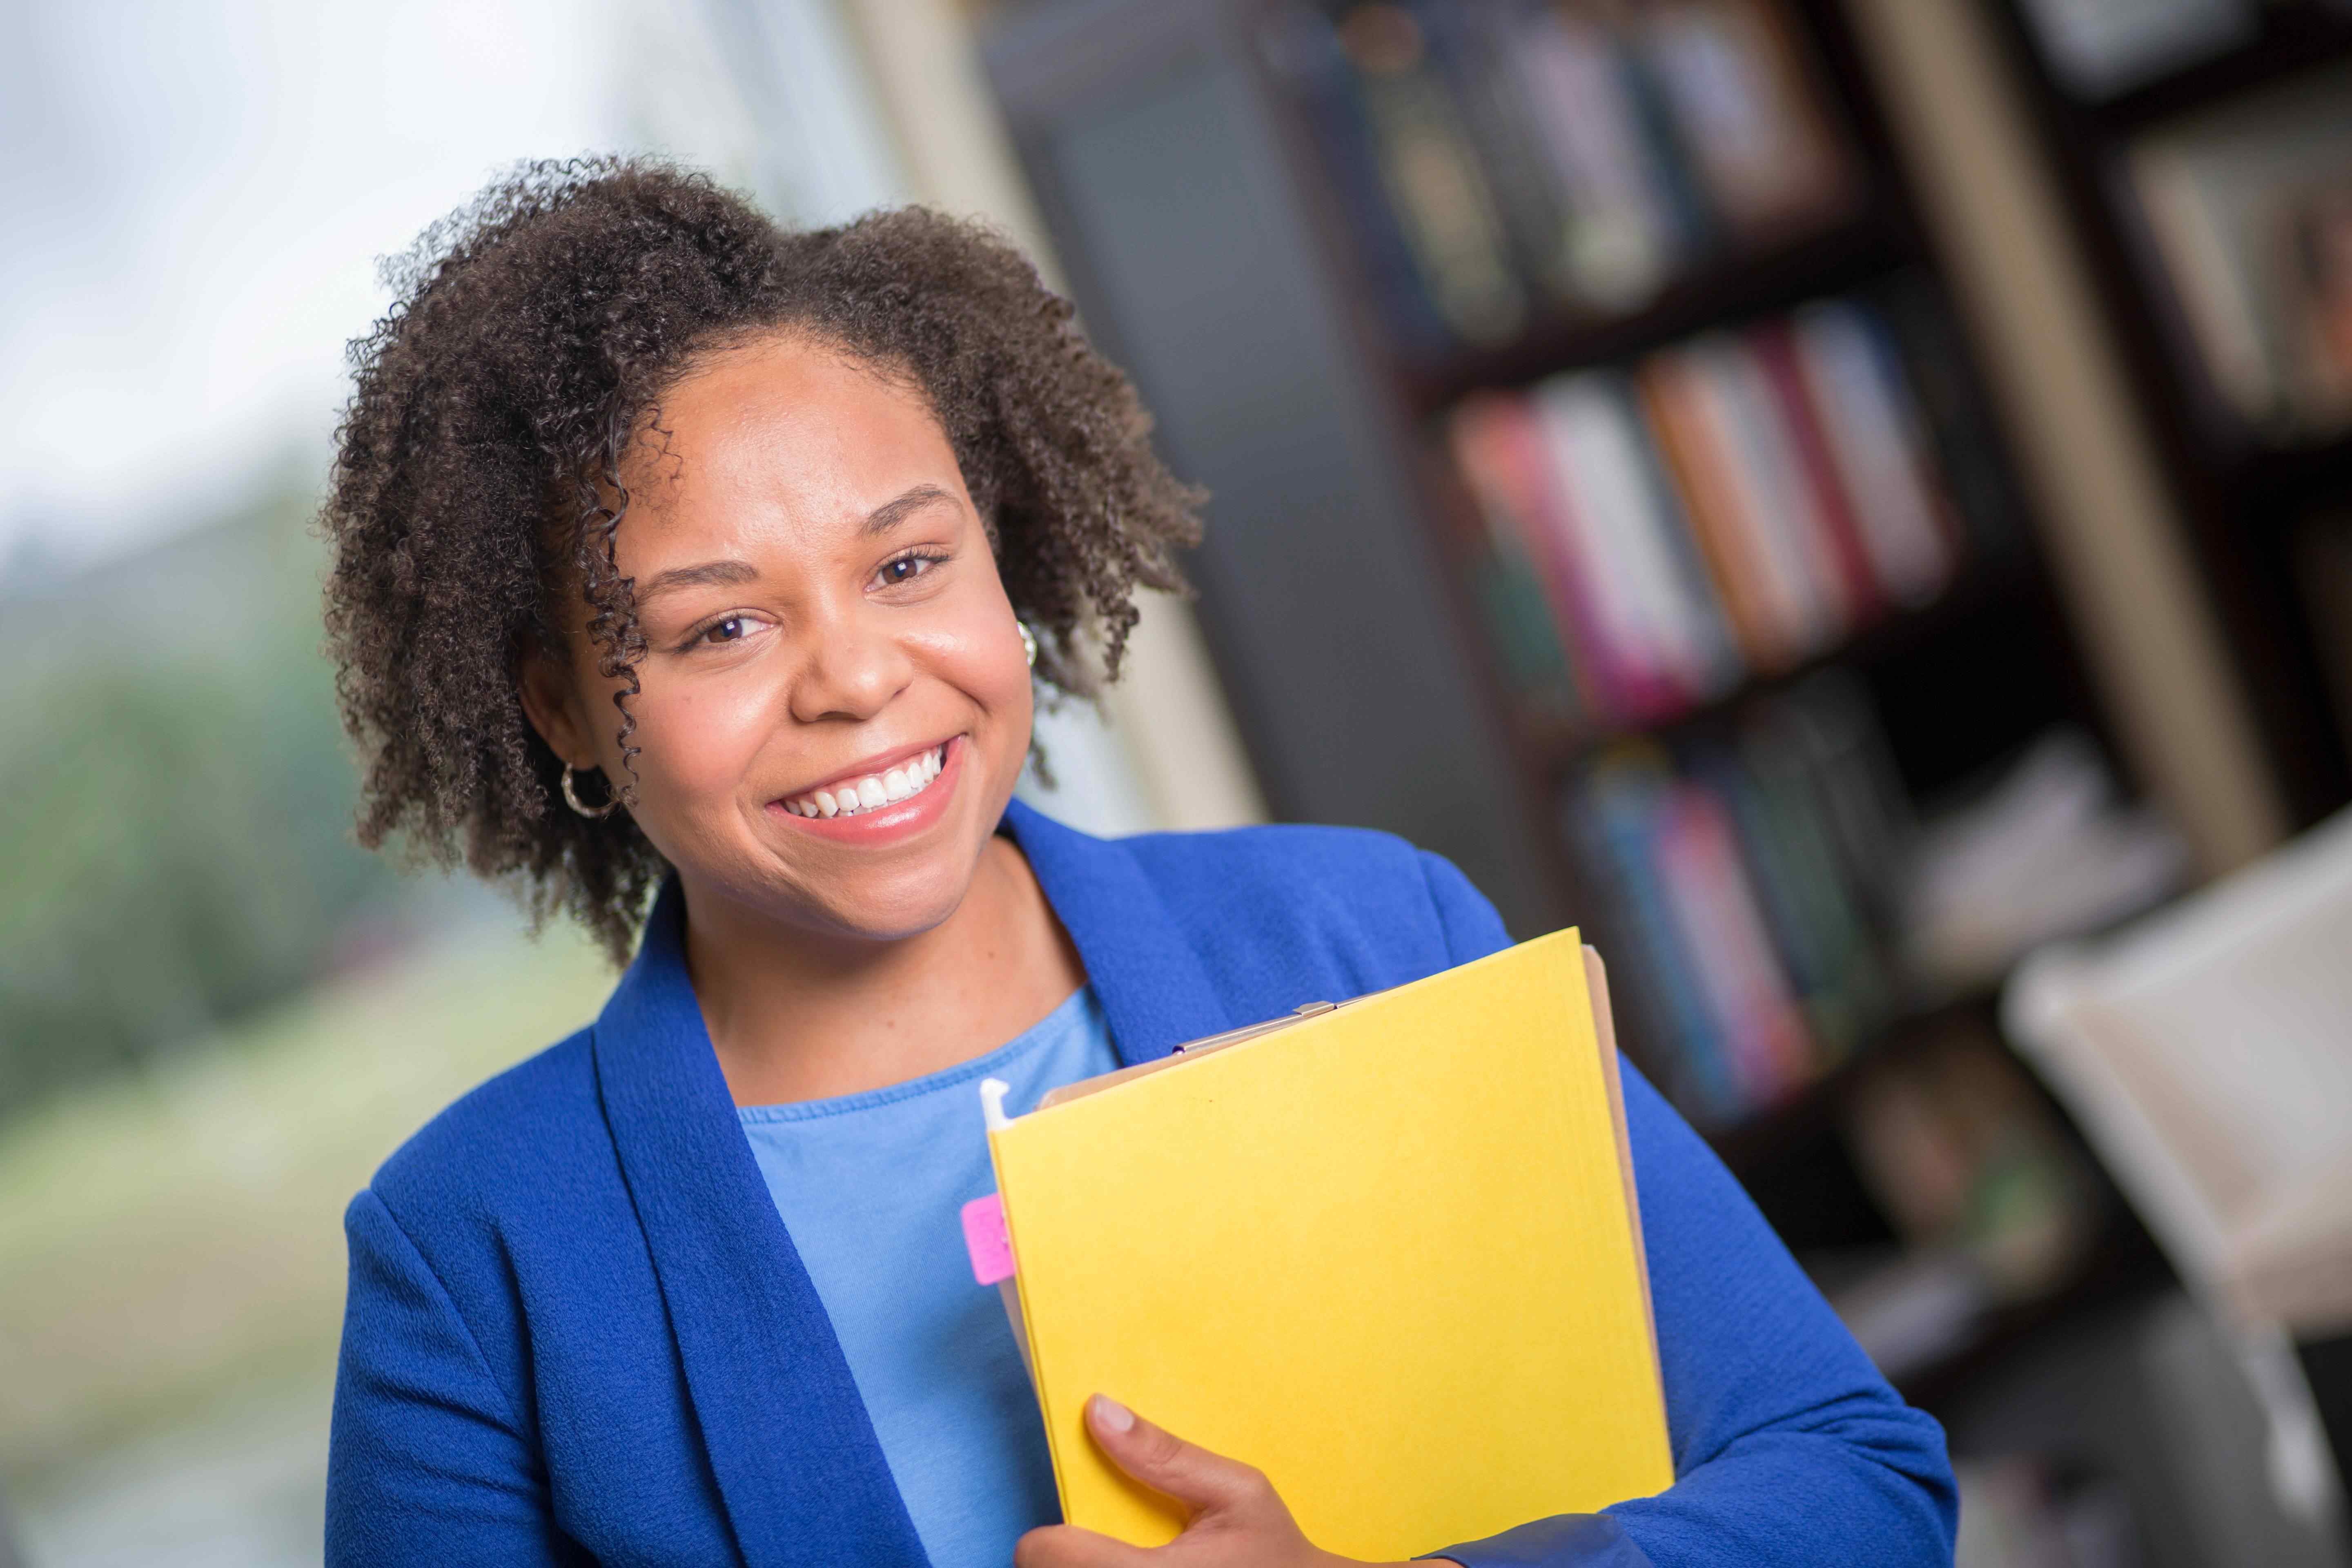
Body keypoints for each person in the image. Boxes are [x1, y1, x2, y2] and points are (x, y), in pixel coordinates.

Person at [321, 158, 1954, 1568]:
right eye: (722, 625)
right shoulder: (475, 1262)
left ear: (1001, 552)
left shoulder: (1369, 932)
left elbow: (1860, 1486)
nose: (857, 676)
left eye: (908, 563)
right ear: (563, 708)